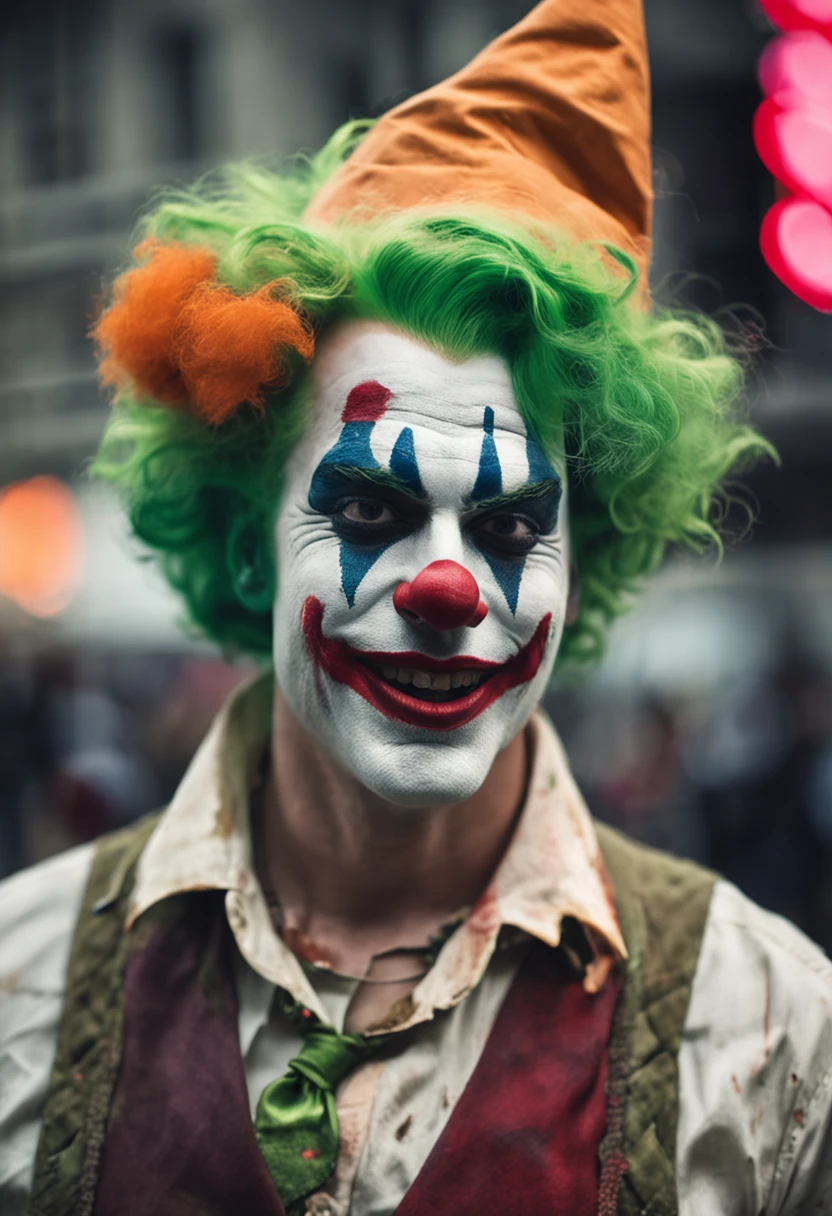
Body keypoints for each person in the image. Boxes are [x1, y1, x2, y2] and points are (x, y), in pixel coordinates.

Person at [2, 1, 831, 1213]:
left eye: (506, 528)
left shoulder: (771, 1034)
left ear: (578, 560)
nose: (449, 593)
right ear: (249, 541)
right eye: (372, 511)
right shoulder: (16, 990)